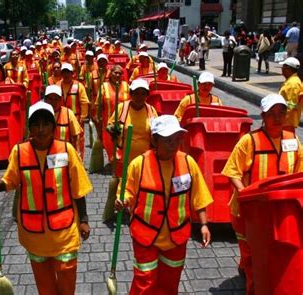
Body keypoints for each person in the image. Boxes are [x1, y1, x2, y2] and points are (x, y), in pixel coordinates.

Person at [0, 101, 92, 295]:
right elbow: (9, 181)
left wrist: (84, 220)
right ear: (29, 128)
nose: (41, 129)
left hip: (64, 231)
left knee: (67, 281)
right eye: (36, 125)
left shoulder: (67, 150)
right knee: (45, 286)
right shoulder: (19, 152)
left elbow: (78, 188)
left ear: (54, 126)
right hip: (33, 232)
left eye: (46, 124)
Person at [116, 114, 212, 294]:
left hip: (177, 236)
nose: (173, 144)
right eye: (168, 140)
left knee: (170, 282)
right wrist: (122, 201)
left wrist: (204, 224)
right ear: (154, 139)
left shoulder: (187, 162)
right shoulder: (139, 164)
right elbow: (126, 191)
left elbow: (199, 195)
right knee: (145, 282)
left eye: (177, 139)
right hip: (146, 235)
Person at [222, 93, 302, 295]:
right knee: (253, 256)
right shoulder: (250, 141)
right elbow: (232, 171)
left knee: (276, 255)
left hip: (281, 212)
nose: (277, 118)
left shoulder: (293, 140)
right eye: (272, 114)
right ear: (263, 116)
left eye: (281, 113)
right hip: (250, 213)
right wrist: (246, 197)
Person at [107, 79, 158, 177]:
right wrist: (113, 129)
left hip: (145, 158)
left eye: (143, 94)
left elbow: (157, 132)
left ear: (147, 95)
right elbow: (109, 125)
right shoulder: (122, 108)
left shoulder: (151, 110)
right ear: (131, 93)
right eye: (136, 93)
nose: (140, 97)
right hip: (123, 158)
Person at [96, 65, 129, 162]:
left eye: (120, 73)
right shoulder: (104, 86)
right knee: (110, 145)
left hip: (123, 122)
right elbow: (98, 104)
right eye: (116, 73)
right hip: (108, 122)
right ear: (111, 74)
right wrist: (98, 118)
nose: (118, 75)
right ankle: (113, 164)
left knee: (122, 144)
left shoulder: (126, 86)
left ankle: (120, 164)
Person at [56, 63, 89, 158]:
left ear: (72, 74)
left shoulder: (79, 86)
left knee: (78, 140)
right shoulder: (57, 85)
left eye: (68, 72)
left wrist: (83, 118)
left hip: (76, 118)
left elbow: (84, 102)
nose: (66, 75)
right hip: (61, 118)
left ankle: (79, 160)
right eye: (64, 72)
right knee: (62, 139)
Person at [44, 85, 82, 151]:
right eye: (50, 99)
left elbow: (76, 136)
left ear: (60, 100)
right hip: (45, 153)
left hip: (63, 154)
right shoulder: (40, 114)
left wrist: (77, 153)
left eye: (56, 99)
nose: (53, 102)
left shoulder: (68, 113)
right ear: (45, 100)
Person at [278, 57, 302, 131]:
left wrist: (279, 119)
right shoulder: (291, 81)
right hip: (285, 122)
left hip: (286, 123)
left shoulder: (292, 84)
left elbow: (290, 105)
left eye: (283, 67)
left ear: (288, 69)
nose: (281, 68)